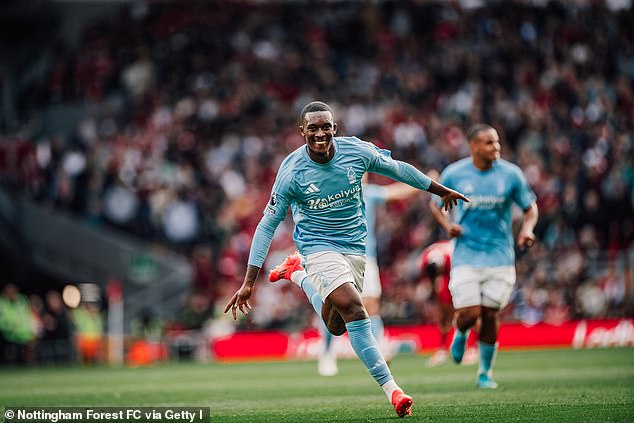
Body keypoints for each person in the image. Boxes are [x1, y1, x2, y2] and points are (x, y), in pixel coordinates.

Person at [224, 101, 468, 417]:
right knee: (355, 308)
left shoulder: (357, 152)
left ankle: (297, 274)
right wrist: (248, 282)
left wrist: (438, 189)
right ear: (302, 132)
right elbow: (267, 224)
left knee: (337, 324)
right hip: (317, 248)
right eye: (313, 128)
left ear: (334, 128)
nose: (320, 133)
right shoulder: (291, 172)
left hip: (355, 249)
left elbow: (399, 170)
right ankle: (393, 391)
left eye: (326, 126)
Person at [270, 177, 420, 377]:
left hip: (367, 257)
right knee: (335, 306)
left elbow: (398, 192)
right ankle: (327, 353)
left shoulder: (369, 192)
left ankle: (377, 351)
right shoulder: (334, 190)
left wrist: (425, 182)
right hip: (337, 257)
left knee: (371, 306)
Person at [429, 123, 538, 389]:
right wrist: (447, 226)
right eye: (489, 143)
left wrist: (527, 229)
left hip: (500, 257)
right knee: (469, 313)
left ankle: (484, 373)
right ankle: (461, 331)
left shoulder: (511, 175)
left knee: (490, 314)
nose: (496, 147)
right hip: (466, 255)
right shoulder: (455, 173)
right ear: (473, 146)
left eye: (497, 142)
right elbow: (434, 205)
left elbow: (530, 207)